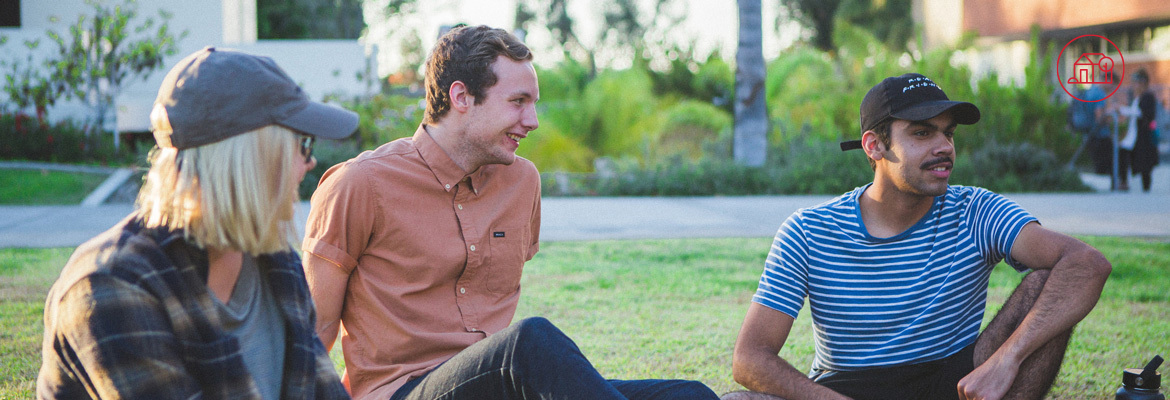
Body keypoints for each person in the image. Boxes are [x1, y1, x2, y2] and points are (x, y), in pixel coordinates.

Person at [302, 25, 719, 400]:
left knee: (688, 394)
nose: (533, 120)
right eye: (518, 102)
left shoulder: (522, 183)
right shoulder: (359, 184)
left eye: (533, 103)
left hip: (501, 381)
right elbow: (315, 331)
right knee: (529, 342)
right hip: (404, 391)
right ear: (461, 96)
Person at [724, 73, 1112, 400]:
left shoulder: (976, 211)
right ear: (874, 146)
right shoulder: (808, 230)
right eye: (922, 133)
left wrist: (1005, 359)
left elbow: (1086, 264)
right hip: (848, 388)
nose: (944, 147)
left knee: (1046, 282)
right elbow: (750, 358)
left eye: (948, 133)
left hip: (955, 383)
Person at [37, 47, 358, 399]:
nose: (309, 163)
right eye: (302, 144)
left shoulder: (276, 262)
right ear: (250, 157)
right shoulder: (110, 286)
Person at [1115, 69, 1159, 192]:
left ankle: (1146, 187)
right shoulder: (1137, 98)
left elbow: (1142, 113)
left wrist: (1123, 109)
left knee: (1145, 163)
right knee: (1123, 152)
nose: (1134, 86)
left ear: (1143, 83)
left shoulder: (1148, 97)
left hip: (1143, 135)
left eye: (1136, 83)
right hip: (1133, 134)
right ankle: (1123, 181)